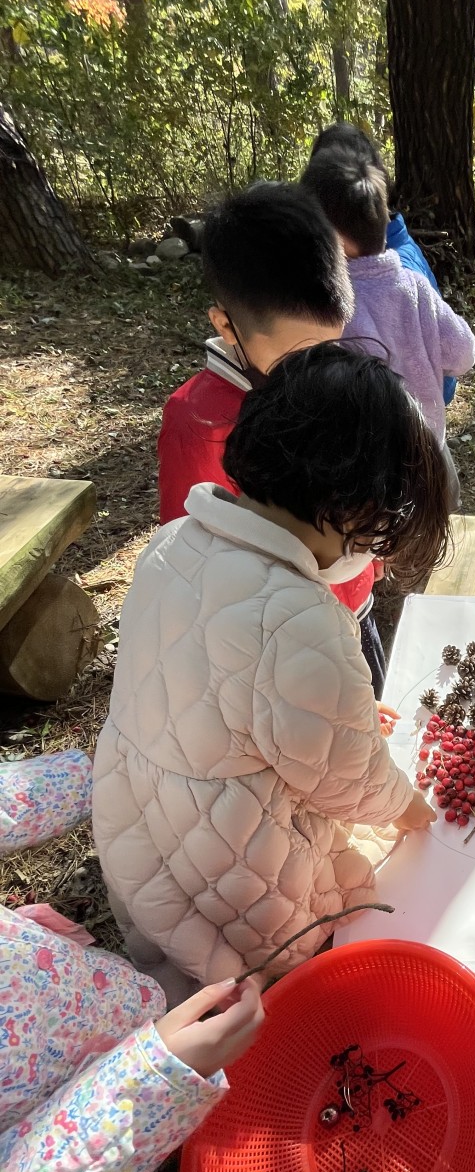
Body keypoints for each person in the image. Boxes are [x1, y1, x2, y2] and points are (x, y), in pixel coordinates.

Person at [94, 346, 448, 1000]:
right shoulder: (300, 619)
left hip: (140, 840)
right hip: (240, 885)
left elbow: (216, 692)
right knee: (318, 928)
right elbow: (352, 780)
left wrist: (349, 715)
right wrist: (407, 805)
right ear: (348, 511)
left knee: (184, 948)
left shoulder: (169, 546)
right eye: (373, 537)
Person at [0, 767, 264, 1172]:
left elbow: (12, 797)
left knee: (156, 1000)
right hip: (90, 1149)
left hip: (86, 996)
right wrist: (151, 1079)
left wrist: (123, 761)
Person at [155, 182, 388, 696]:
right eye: (294, 356)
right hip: (270, 649)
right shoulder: (200, 423)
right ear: (227, 326)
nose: (315, 373)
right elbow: (190, 558)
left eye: (326, 347)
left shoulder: (336, 378)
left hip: (352, 607)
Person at [300, 150, 475, 493]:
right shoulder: (414, 286)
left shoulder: (330, 305)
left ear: (334, 239)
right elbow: (463, 352)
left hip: (368, 476)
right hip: (427, 454)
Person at [308, 122, 458, 405]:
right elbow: (457, 359)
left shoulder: (386, 283)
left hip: (392, 435)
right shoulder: (397, 269)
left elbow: (445, 383)